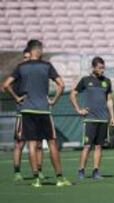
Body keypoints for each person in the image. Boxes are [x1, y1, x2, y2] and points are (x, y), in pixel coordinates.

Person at [2, 39, 71, 187]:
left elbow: (6, 85)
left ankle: (36, 180)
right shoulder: (46, 66)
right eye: (41, 49)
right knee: (52, 142)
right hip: (43, 110)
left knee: (32, 144)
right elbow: (61, 84)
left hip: (26, 110)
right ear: (37, 50)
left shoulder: (21, 67)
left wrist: (17, 98)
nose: (42, 52)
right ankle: (59, 178)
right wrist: (54, 100)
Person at [70, 56, 114, 180]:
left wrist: (112, 116)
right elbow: (73, 94)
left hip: (103, 119)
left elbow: (109, 100)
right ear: (93, 68)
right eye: (100, 68)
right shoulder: (85, 80)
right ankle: (81, 170)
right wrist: (79, 110)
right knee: (87, 146)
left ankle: (96, 171)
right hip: (90, 119)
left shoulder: (107, 81)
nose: (102, 70)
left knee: (99, 146)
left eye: (103, 67)